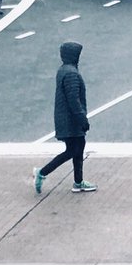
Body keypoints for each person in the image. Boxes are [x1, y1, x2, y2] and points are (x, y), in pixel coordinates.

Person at [33, 42, 96, 194]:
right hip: (71, 121)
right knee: (72, 150)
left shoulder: (64, 70)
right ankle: (42, 173)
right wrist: (82, 120)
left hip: (67, 120)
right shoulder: (71, 74)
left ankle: (78, 182)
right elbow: (73, 100)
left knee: (78, 149)